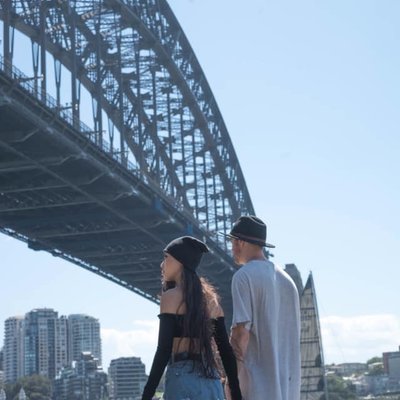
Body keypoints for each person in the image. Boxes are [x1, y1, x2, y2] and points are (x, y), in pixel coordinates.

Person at [141, 236, 242, 400]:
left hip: (182, 377)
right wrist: (237, 395)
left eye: (166, 258)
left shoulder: (171, 297)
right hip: (211, 379)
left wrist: (146, 396)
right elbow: (225, 350)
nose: (162, 264)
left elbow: (164, 350)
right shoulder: (211, 301)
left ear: (181, 262)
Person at [222, 215, 301, 400]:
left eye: (232, 241)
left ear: (239, 242)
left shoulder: (244, 277)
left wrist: (231, 381)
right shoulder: (288, 282)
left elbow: (240, 334)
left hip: (258, 390)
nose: (231, 248)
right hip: (289, 391)